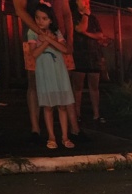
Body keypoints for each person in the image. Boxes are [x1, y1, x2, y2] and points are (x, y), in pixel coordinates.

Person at [14, 0, 85, 143]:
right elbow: (20, 10)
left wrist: (69, 38)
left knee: (65, 82)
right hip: (36, 38)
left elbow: (66, 13)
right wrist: (41, 32)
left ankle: (74, 129)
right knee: (34, 82)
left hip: (58, 39)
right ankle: (36, 129)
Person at [27, 2, 75, 149]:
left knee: (62, 105)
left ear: (50, 20)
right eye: (37, 18)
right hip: (44, 72)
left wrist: (49, 39)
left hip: (58, 71)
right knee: (48, 106)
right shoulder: (32, 32)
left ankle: (65, 137)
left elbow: (65, 50)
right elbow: (34, 53)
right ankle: (51, 137)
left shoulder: (56, 32)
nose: (40, 21)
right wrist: (45, 43)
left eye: (44, 18)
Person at [70, 0, 107, 123]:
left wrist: (86, 33)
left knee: (94, 86)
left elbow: (100, 35)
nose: (86, 2)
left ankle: (96, 114)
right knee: (78, 87)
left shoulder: (93, 18)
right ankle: (77, 114)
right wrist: (85, 15)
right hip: (79, 55)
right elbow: (80, 28)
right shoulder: (73, 16)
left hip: (93, 56)